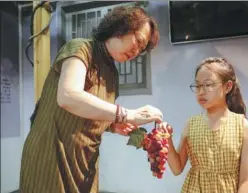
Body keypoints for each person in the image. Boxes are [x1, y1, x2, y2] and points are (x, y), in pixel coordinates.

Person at [20, 6, 162, 193]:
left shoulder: (112, 74)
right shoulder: (81, 48)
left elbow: (95, 113)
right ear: (121, 28)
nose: (136, 51)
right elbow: (68, 97)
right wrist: (125, 114)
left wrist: (114, 125)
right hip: (51, 154)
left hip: (85, 161)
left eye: (142, 49)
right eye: (138, 41)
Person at [160, 57, 248, 193]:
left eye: (208, 85)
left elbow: (246, 181)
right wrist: (167, 139)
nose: (201, 92)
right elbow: (177, 168)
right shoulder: (191, 124)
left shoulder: (244, 127)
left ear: (227, 86)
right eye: (198, 85)